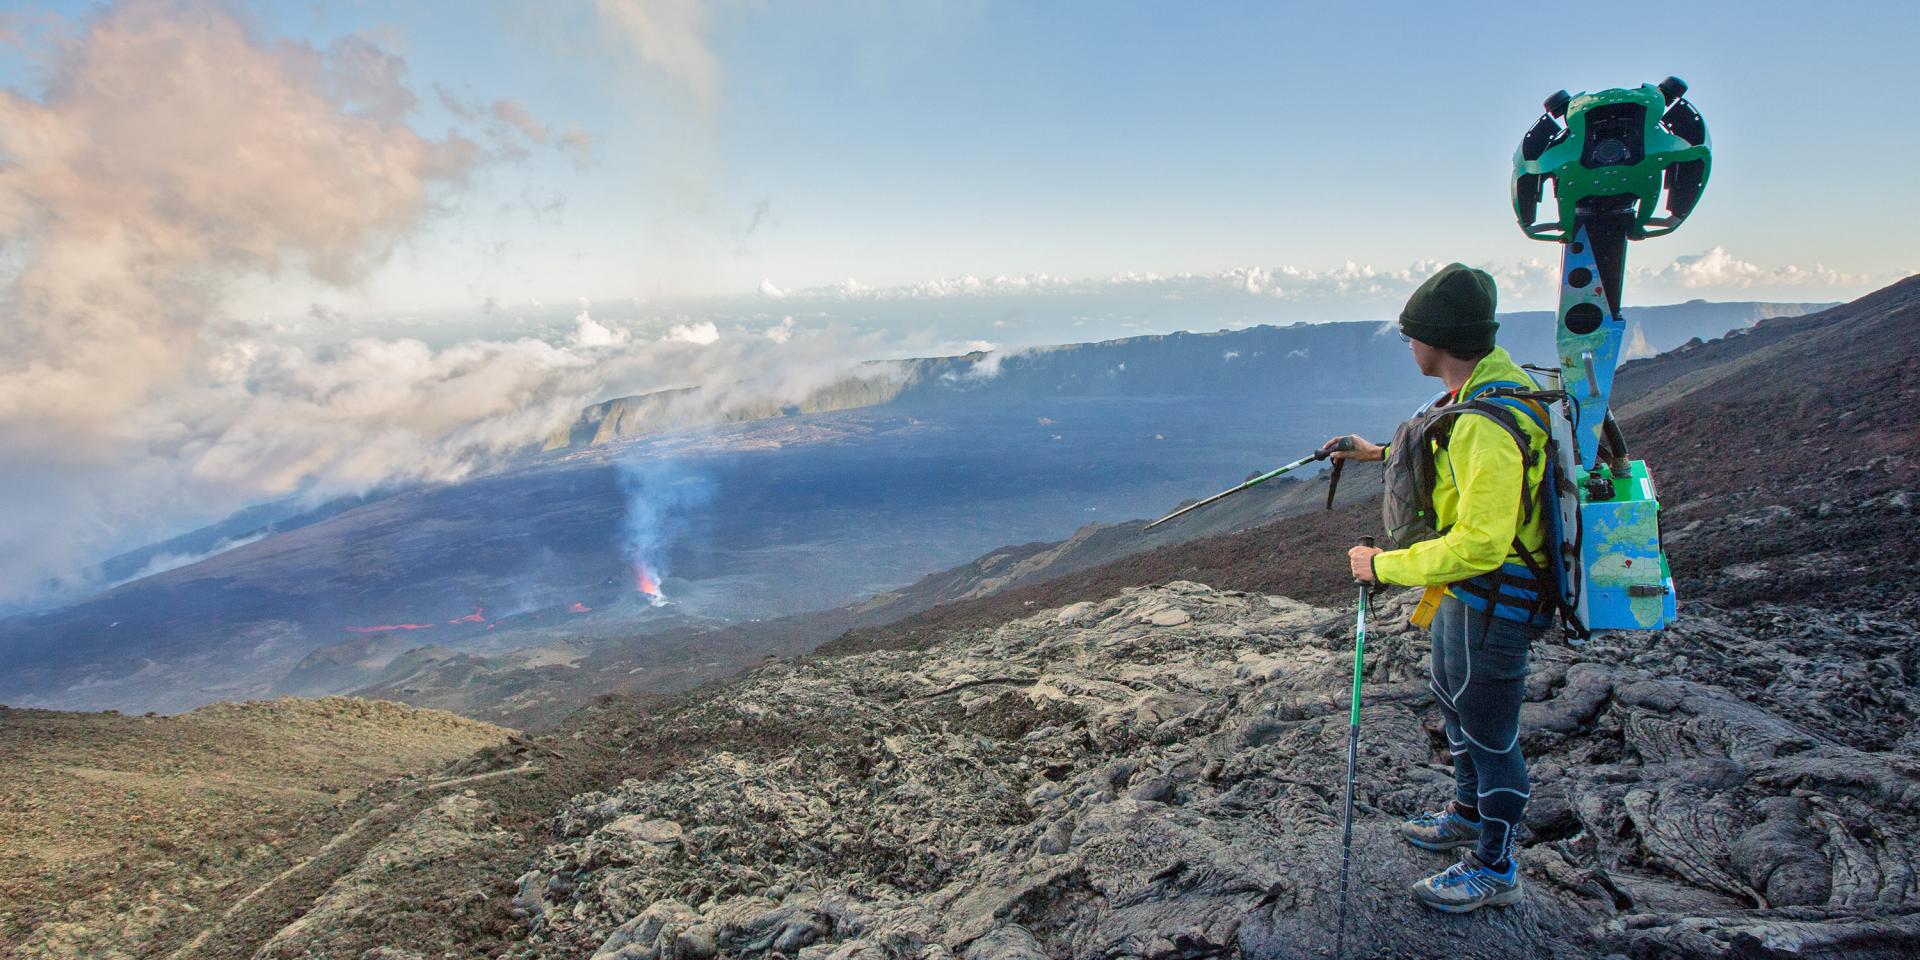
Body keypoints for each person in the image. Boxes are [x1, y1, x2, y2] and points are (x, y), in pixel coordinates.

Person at [1326, 262, 1552, 914]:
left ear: (1439, 340)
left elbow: (1482, 541)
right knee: (1454, 701)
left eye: (1412, 334)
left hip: (1493, 597)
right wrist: (1373, 454)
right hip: (1466, 594)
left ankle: (1495, 865)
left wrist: (1384, 568)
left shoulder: (1486, 419)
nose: (1407, 344)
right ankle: (1465, 811)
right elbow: (1449, 458)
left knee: (1488, 729)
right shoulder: (1483, 389)